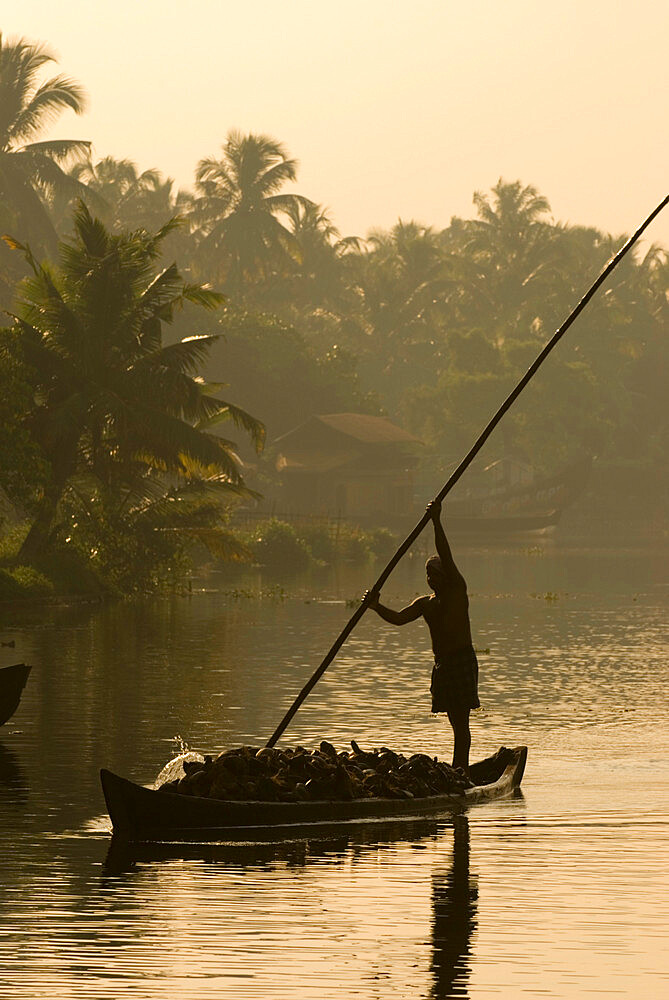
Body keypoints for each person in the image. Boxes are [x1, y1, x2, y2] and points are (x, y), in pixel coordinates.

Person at [365, 499, 480, 774]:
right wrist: (375, 606)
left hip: (461, 660)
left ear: (445, 575)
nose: (430, 578)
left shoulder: (456, 590)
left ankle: (459, 771)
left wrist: (436, 520)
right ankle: (457, 771)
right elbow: (398, 618)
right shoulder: (425, 603)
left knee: (461, 724)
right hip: (443, 665)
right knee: (454, 719)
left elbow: (446, 554)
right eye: (427, 574)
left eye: (434, 572)